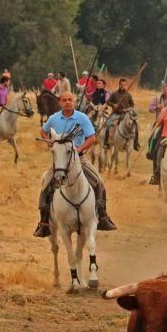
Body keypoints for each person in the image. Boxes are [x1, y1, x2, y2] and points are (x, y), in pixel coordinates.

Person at [33, 92, 117, 237]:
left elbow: (91, 138)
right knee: (46, 184)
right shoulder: (53, 118)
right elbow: (43, 131)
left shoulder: (82, 118)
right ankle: (44, 223)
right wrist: (50, 143)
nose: (67, 102)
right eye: (64, 100)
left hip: (80, 159)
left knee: (99, 182)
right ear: (60, 102)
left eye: (70, 100)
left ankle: (102, 216)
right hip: (60, 162)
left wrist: (79, 149)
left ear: (74, 102)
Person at [104, 78, 140, 150]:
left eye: (124, 85)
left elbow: (132, 104)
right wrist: (113, 105)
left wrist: (128, 109)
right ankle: (106, 142)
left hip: (126, 114)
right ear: (119, 85)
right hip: (116, 114)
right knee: (108, 124)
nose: (123, 86)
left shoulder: (128, 95)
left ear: (126, 85)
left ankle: (135, 144)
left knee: (136, 126)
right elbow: (108, 102)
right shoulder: (114, 94)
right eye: (121, 85)